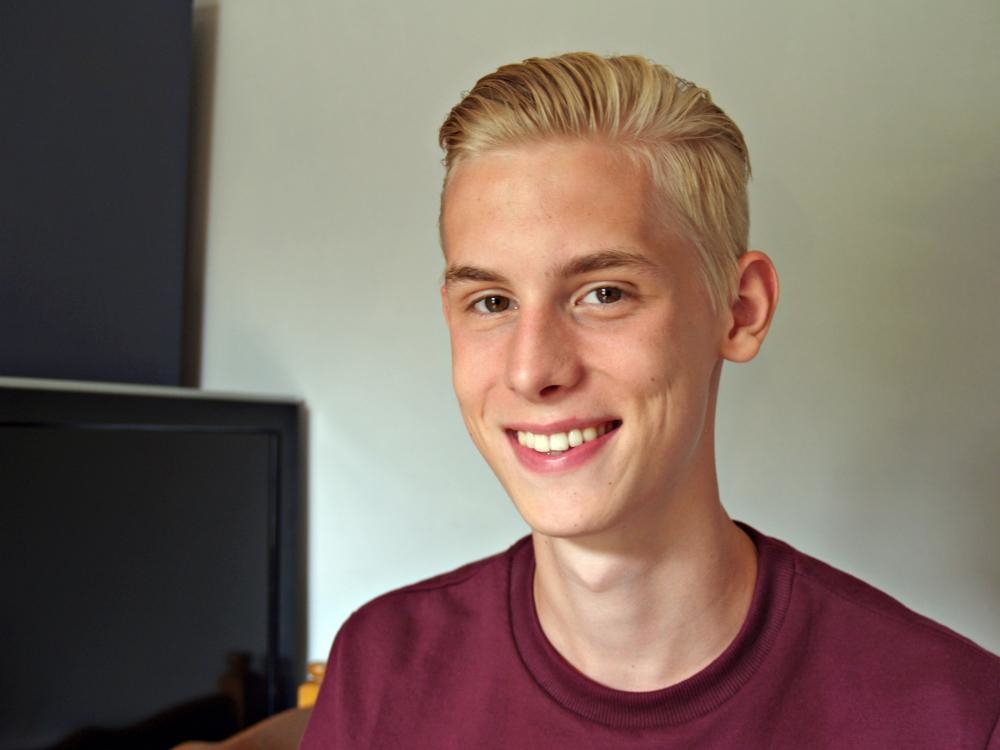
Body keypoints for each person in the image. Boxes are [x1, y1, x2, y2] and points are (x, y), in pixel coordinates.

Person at [301, 52, 999, 748]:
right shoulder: (381, 670)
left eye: (604, 293)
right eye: (492, 301)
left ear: (740, 310)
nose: (531, 370)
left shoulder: (957, 719)